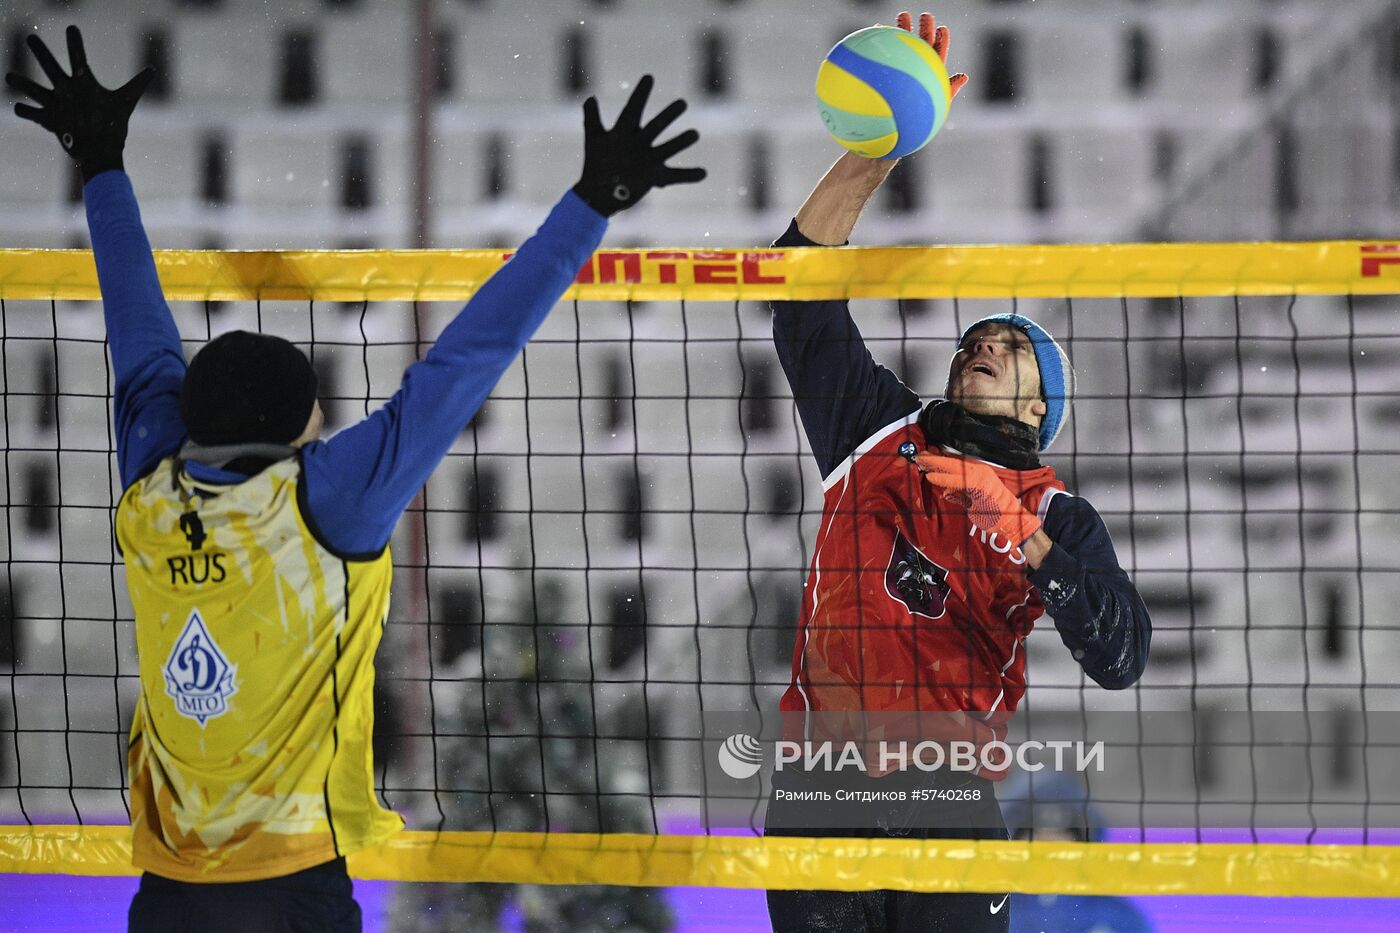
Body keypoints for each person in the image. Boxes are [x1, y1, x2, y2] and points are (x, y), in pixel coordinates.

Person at [6, 25, 704, 932]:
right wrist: (592, 203)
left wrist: (97, 163)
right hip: (293, 879)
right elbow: (467, 357)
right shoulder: (325, 497)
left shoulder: (152, 479)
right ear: (297, 426)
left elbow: (135, 326)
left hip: (171, 885)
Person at [763, 11, 1152, 933]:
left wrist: (1025, 539)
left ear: (1036, 410)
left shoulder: (1056, 508)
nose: (984, 341)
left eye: (1011, 346)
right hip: (825, 788)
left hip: (949, 796)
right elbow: (796, 292)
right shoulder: (878, 428)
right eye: (978, 335)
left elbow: (1122, 654)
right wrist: (882, 145)